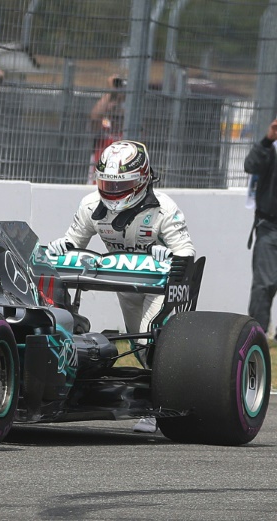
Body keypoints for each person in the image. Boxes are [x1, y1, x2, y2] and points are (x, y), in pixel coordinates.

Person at [47, 140, 195, 433]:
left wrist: (168, 255)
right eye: (108, 184)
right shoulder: (91, 205)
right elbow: (73, 243)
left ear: (141, 180)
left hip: (160, 286)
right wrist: (59, 247)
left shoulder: (164, 209)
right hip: (125, 284)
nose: (113, 191)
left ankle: (158, 408)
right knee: (136, 343)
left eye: (121, 185)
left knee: (150, 339)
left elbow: (187, 253)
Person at [243, 117, 277, 335]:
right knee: (264, 284)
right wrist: (267, 139)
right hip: (270, 226)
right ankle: (257, 336)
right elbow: (250, 166)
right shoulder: (270, 149)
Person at [88, 75, 126, 184]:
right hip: (97, 183)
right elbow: (95, 116)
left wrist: (120, 97)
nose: (114, 106)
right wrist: (111, 92)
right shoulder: (103, 126)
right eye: (112, 102)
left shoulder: (128, 129)